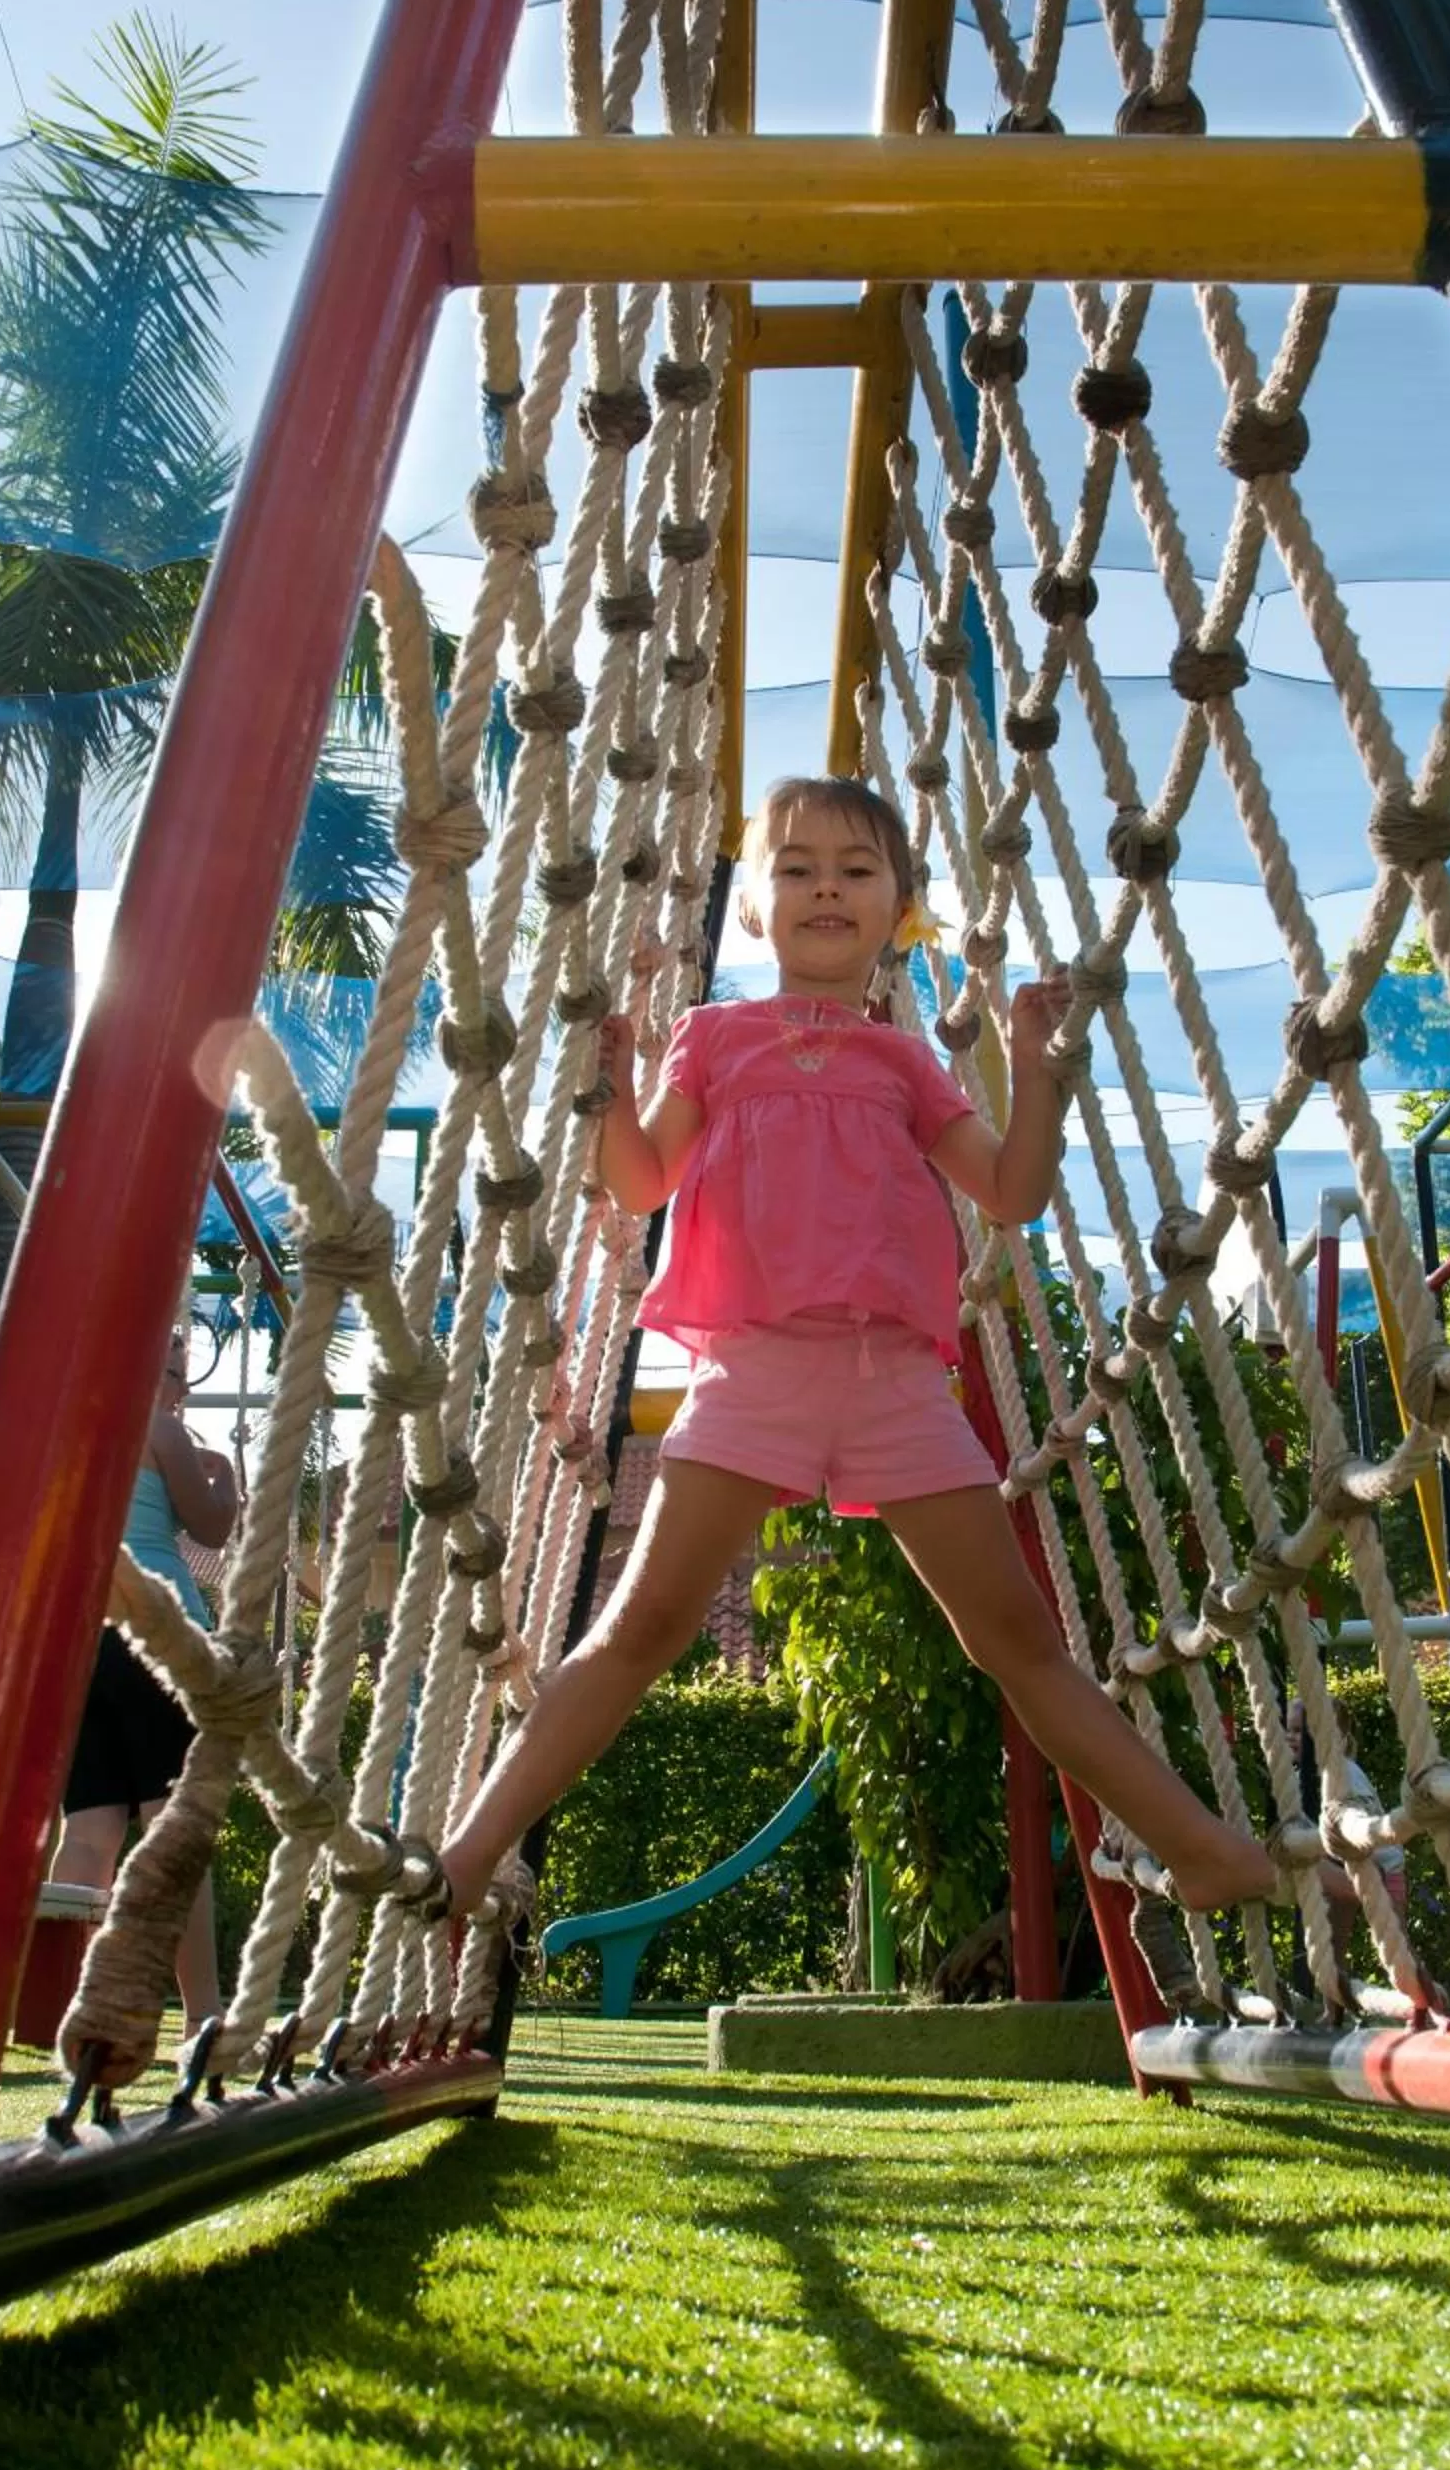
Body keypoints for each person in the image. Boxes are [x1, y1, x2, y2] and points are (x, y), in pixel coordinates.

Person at [422, 773, 1291, 1931]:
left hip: (896, 1389)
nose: (824, 885)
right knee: (639, 1628)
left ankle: (1201, 1849)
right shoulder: (714, 1039)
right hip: (753, 1377)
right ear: (755, 909)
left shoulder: (905, 1062)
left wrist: (1036, 1075)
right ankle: (472, 1851)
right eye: (794, 868)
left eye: (855, 868)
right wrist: (610, 1091)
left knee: (1020, 1639)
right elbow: (638, 1183)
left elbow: (1014, 1190)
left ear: (901, 907)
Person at [49, 1329, 238, 2038]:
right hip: (156, 1637)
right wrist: (227, 1475)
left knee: (91, 1831)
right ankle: (202, 2013)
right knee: (174, 1829)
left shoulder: (77, 1429)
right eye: (176, 1371)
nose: (182, 1387)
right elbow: (213, 1527)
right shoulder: (161, 1428)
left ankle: (60, 2004)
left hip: (82, 1644)